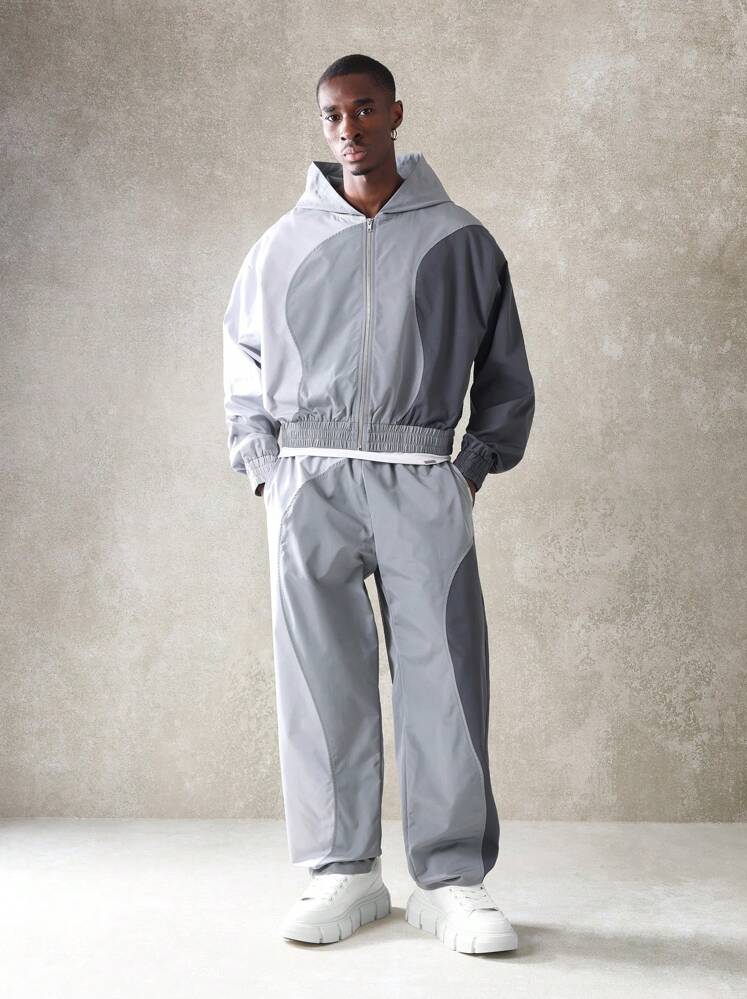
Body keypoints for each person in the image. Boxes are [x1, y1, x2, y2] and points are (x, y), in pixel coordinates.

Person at [222, 53, 535, 954]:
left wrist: (468, 467)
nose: (348, 127)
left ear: (395, 112)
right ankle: (343, 869)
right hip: (309, 481)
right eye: (333, 114)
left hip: (418, 476)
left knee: (445, 679)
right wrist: (268, 468)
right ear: (322, 125)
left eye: (364, 109)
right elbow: (241, 359)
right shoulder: (281, 245)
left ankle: (452, 879)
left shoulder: (461, 239)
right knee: (320, 679)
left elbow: (504, 370)